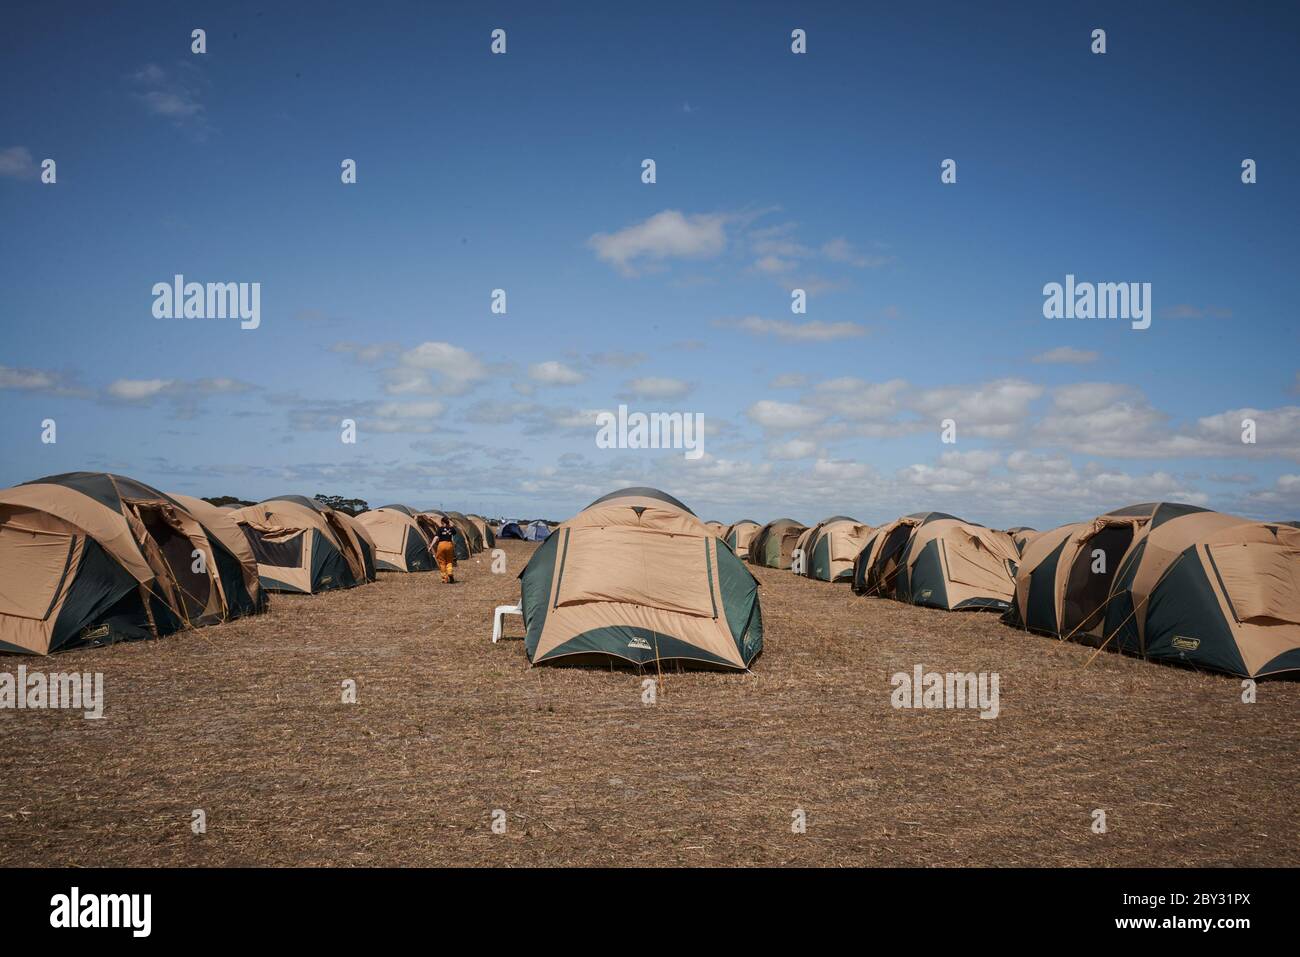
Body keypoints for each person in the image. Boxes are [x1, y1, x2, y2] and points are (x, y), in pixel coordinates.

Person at [433, 516, 458, 583]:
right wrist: (451, 526)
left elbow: (436, 537)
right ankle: (450, 572)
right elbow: (454, 533)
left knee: (442, 562)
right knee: (449, 561)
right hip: (449, 545)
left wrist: (431, 545)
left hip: (441, 545)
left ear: (442, 522)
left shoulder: (440, 529)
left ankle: (444, 578)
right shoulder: (451, 528)